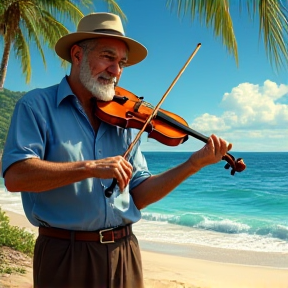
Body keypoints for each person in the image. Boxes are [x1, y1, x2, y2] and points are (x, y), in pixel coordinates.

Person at [1, 12, 231, 288]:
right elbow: (16, 176)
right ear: (77, 55)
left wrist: (194, 163)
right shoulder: (36, 106)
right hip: (64, 253)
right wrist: (90, 167)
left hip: (124, 252)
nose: (116, 71)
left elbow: (138, 194)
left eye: (121, 63)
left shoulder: (125, 119)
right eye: (108, 58)